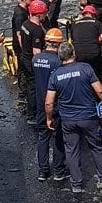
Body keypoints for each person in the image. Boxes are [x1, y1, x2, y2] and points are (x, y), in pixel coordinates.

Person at [44, 42, 102, 192]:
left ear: (60, 56)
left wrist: (49, 118)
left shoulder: (55, 75)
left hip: (68, 119)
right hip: (88, 116)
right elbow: (100, 91)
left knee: (72, 150)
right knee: (96, 146)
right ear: (73, 54)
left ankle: (76, 184)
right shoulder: (85, 68)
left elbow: (49, 102)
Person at [33, 28, 68, 182]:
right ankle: (59, 171)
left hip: (40, 103)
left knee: (43, 137)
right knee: (59, 137)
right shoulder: (58, 61)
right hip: (57, 103)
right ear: (58, 44)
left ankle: (43, 170)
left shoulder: (36, 59)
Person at [17, 0, 48, 113]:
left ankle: (31, 108)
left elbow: (20, 38)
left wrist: (26, 49)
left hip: (25, 57)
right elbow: (36, 52)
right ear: (39, 15)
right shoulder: (37, 30)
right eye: (44, 13)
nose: (45, 15)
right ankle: (33, 111)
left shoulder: (25, 23)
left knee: (30, 85)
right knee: (35, 87)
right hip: (31, 61)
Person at [71, 5, 102, 75]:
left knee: (81, 73)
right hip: (93, 53)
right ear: (93, 15)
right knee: (95, 73)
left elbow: (71, 41)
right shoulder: (97, 23)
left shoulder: (74, 24)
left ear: (83, 14)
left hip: (78, 54)